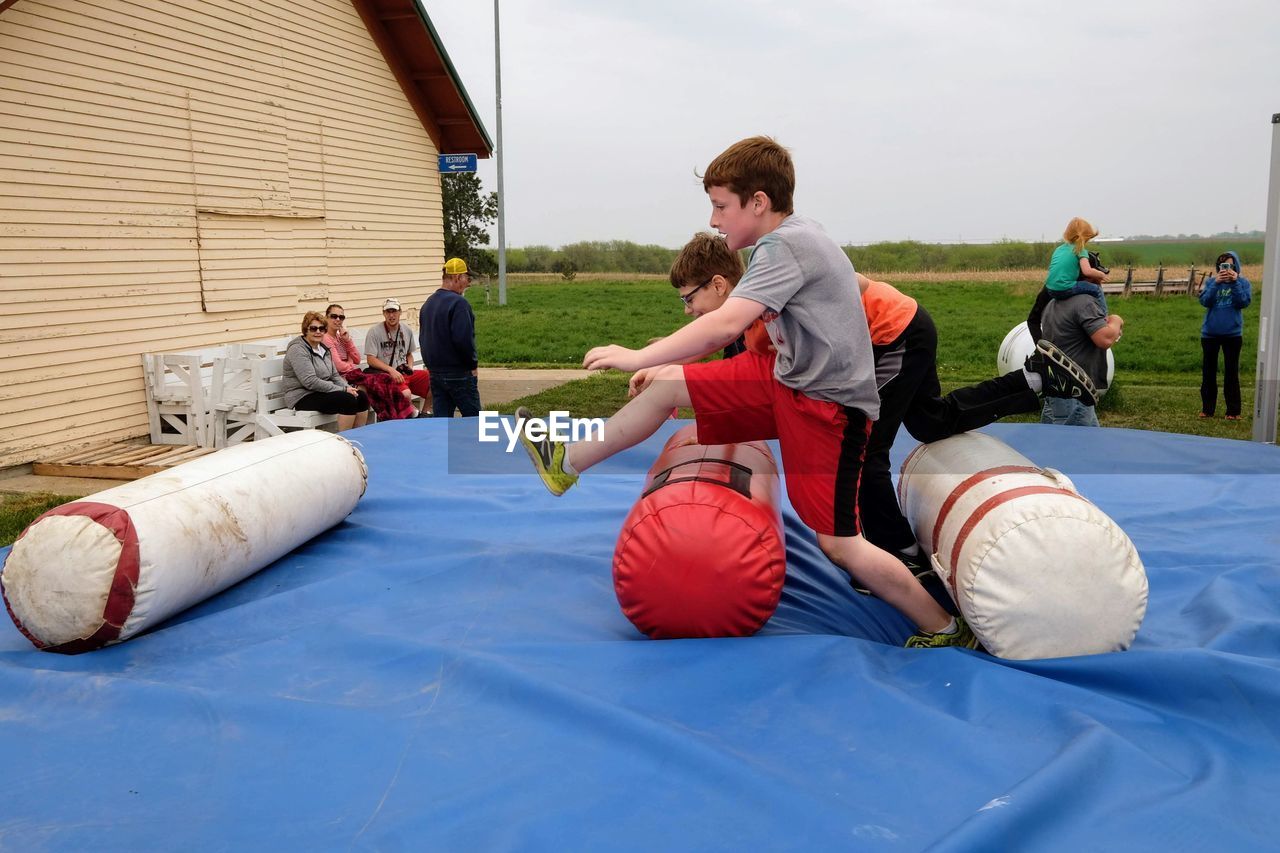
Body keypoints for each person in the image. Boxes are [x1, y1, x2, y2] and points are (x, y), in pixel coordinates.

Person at [514, 137, 1097, 649]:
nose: (715, 220)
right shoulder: (785, 242)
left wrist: (640, 354)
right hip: (787, 384)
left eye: (720, 206)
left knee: (840, 544)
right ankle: (567, 462)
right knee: (669, 388)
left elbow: (722, 325)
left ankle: (942, 624)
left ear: (758, 202)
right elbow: (730, 333)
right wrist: (663, 359)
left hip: (828, 409)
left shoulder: (785, 247)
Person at [635, 232, 1098, 594]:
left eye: (688, 299)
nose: (687, 311)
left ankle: (904, 556)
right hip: (903, 326)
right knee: (930, 421)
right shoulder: (744, 304)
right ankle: (1035, 378)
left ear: (719, 285)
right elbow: (729, 357)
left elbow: (725, 342)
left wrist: (665, 369)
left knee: (865, 452)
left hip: (890, 338)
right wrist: (667, 363)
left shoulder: (762, 292)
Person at [1039, 284, 1124, 427]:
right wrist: (1116, 320)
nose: (1102, 279)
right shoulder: (1084, 303)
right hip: (1076, 390)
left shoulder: (1053, 302)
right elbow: (1105, 339)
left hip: (1057, 386)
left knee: (1054, 441)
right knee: (1072, 444)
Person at [322, 303, 414, 422]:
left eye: (341, 317)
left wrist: (347, 341)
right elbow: (339, 366)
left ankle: (393, 417)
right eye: (334, 316)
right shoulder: (325, 338)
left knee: (382, 381)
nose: (338, 320)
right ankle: (396, 416)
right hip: (340, 378)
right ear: (326, 318)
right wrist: (350, 364)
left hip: (352, 375)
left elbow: (357, 359)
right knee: (380, 382)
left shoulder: (341, 338)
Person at [282, 311, 369, 431]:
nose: (318, 332)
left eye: (321, 329)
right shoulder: (298, 349)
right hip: (302, 396)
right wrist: (343, 390)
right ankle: (345, 441)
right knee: (347, 400)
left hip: (321, 392)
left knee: (361, 396)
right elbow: (310, 381)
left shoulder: (323, 348)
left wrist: (349, 388)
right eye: (313, 328)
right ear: (305, 330)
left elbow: (334, 375)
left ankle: (358, 437)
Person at [421, 258, 481, 418]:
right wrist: (472, 365)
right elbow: (463, 340)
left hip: (435, 374)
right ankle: (478, 444)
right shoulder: (459, 304)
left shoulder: (429, 303)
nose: (468, 283)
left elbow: (423, 339)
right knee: (474, 421)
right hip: (459, 373)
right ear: (457, 277)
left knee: (443, 422)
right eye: (467, 278)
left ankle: (444, 443)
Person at [1199, 251, 1252, 420]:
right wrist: (1216, 283)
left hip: (1233, 334)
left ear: (1235, 266)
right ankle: (1207, 410)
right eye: (1223, 266)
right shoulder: (1211, 282)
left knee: (1231, 373)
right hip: (1210, 334)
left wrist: (1235, 282)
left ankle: (1233, 412)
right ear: (1218, 268)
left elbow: (1243, 302)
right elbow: (1205, 301)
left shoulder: (1243, 282)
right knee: (1208, 373)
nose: (1226, 269)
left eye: (1229, 265)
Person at [364, 298, 432, 417]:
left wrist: (410, 367)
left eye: (394, 311)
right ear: (383, 313)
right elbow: (371, 359)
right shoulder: (374, 332)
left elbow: (409, 354)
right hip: (387, 375)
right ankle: (410, 416)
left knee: (435, 380)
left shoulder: (406, 330)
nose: (391, 315)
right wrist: (391, 370)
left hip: (403, 372)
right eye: (388, 312)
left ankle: (424, 413)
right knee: (405, 394)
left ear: (400, 312)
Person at [1045, 217, 1109, 313]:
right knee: (1097, 289)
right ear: (1083, 237)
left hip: (1050, 289)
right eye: (1088, 238)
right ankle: (1103, 316)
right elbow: (1087, 271)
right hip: (1065, 288)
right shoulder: (1079, 250)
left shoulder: (1059, 249)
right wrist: (1101, 274)